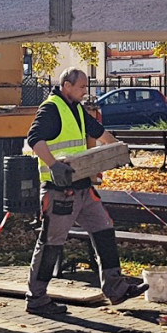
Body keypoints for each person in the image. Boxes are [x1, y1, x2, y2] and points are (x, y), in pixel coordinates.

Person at [24, 68, 147, 315]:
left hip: (82, 188)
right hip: (60, 191)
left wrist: (118, 151)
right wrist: (53, 165)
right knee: (51, 243)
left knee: (104, 230)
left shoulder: (77, 109)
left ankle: (115, 288)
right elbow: (34, 138)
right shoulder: (51, 108)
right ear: (66, 85)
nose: (85, 91)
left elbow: (99, 133)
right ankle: (36, 298)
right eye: (81, 87)